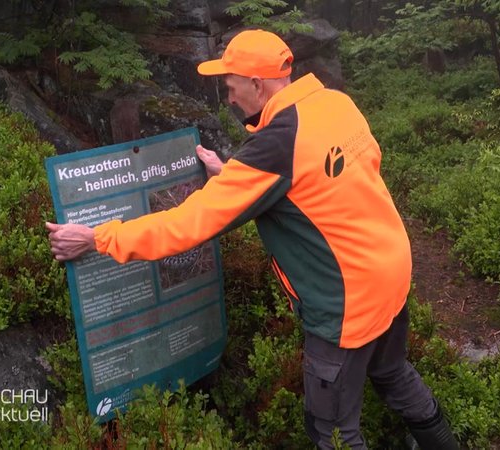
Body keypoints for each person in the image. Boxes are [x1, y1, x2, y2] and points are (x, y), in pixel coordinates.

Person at [46, 29, 459, 450]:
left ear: (258, 84)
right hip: (391, 272)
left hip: (345, 304)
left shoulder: (275, 145)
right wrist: (235, 177)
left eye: (231, 86)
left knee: (332, 430)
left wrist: (98, 237)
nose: (229, 99)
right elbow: (330, 177)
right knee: (392, 372)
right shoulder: (336, 104)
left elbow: (185, 225)